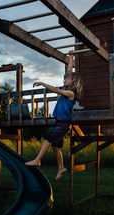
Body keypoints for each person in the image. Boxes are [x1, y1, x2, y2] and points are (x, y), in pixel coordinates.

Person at [25, 51, 83, 180]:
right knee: (55, 146)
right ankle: (61, 167)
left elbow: (56, 90)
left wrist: (43, 83)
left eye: (67, 79)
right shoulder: (67, 90)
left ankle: (37, 160)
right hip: (59, 123)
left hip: (63, 124)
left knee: (47, 139)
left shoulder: (71, 93)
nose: (64, 79)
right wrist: (71, 56)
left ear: (72, 82)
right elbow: (69, 69)